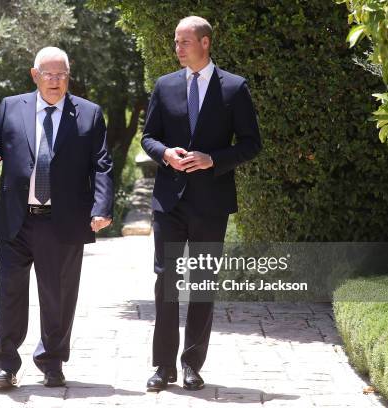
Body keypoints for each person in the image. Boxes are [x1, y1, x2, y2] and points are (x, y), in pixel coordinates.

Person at [0, 46, 113, 388]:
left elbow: (102, 164)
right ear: (34, 75)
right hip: (15, 219)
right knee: (9, 292)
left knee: (59, 296)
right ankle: (4, 365)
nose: (55, 81)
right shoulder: (11, 106)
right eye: (49, 74)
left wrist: (102, 207)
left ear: (69, 76)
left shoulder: (89, 113)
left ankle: (52, 361)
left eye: (62, 74)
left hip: (62, 221)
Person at [141, 16, 262, 391]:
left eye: (184, 41)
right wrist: (165, 154)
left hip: (211, 201)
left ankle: (192, 364)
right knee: (167, 282)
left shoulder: (235, 88)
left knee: (203, 283)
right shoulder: (164, 86)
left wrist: (214, 159)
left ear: (205, 42)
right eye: (175, 42)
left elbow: (251, 143)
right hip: (169, 203)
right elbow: (148, 137)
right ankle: (163, 368)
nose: (177, 48)